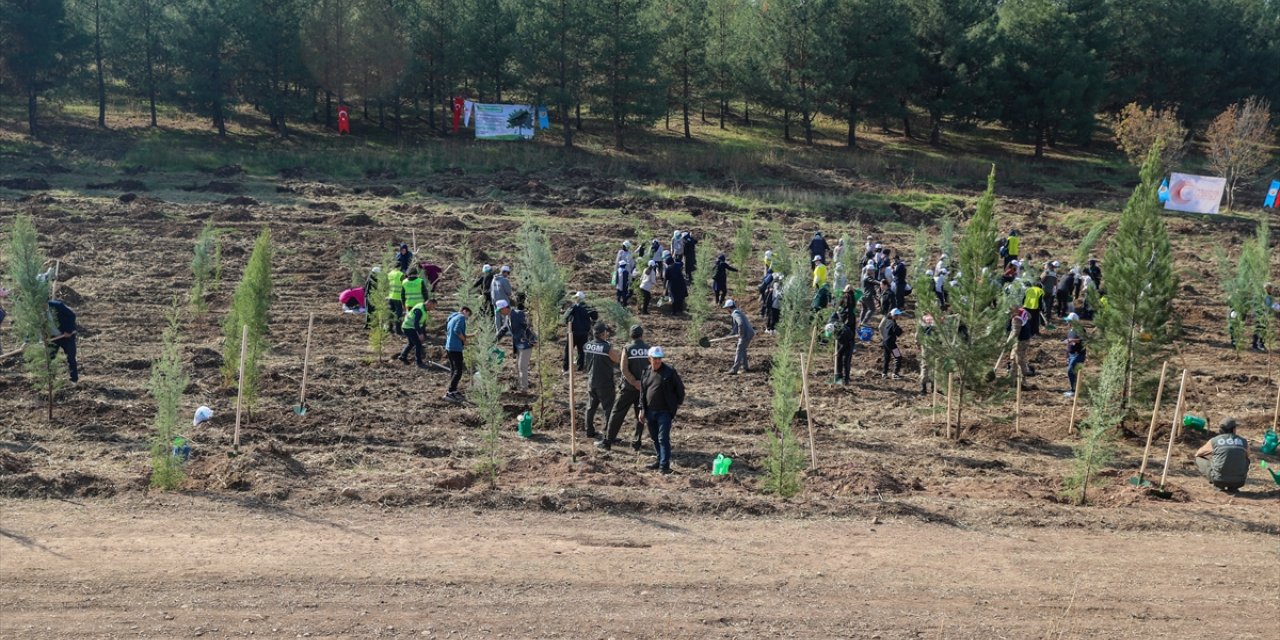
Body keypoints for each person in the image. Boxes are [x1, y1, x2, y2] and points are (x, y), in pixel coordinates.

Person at [603, 325, 650, 452]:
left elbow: (623, 368)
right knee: (640, 415)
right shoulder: (649, 349)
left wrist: (634, 382)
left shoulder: (628, 348)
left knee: (617, 413)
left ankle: (608, 441)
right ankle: (636, 443)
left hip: (628, 388)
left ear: (631, 335)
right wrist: (643, 383)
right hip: (643, 389)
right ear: (642, 335)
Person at [640, 346, 685, 474]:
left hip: (664, 412)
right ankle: (659, 460)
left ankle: (664, 466)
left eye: (659, 358)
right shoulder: (646, 371)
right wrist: (642, 409)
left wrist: (675, 405)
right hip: (650, 412)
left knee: (663, 438)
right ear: (649, 359)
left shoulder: (669, 372)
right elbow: (643, 392)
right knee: (655, 438)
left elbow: (680, 390)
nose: (658, 361)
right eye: (655, 358)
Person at [584, 322, 620, 442]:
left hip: (591, 381)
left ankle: (589, 430)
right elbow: (616, 359)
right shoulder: (606, 347)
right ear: (602, 333)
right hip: (605, 383)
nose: (607, 333)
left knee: (590, 407)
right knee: (608, 409)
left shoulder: (587, 345)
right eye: (606, 331)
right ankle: (608, 434)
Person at [1194, 419, 1250, 493]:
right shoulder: (1243, 441)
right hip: (1239, 481)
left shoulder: (1214, 440)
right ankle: (1233, 487)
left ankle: (1219, 486)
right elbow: (1248, 456)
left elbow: (1198, 454)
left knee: (1198, 458)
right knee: (1246, 459)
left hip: (1218, 480)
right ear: (1233, 429)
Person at [496, 299, 536, 393]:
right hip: (518, 345)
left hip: (525, 344)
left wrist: (533, 339)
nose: (500, 313)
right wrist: (493, 341)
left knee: (522, 366)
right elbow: (503, 330)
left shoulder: (518, 314)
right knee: (518, 367)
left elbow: (527, 326)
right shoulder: (507, 317)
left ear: (505, 308)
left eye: (500, 310)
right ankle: (521, 386)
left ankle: (524, 389)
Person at [398, 298, 437, 369]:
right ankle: (419, 362)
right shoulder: (420, 310)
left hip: (409, 327)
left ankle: (402, 356)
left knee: (411, 343)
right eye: (433, 307)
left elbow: (421, 324)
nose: (433, 309)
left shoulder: (423, 308)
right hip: (408, 327)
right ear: (429, 304)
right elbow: (416, 323)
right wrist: (420, 334)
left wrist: (422, 333)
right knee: (418, 344)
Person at [443, 306, 471, 402]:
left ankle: (453, 390)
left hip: (449, 346)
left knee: (453, 369)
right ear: (464, 311)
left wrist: (472, 335)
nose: (467, 318)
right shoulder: (461, 317)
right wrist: (464, 341)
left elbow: (452, 331)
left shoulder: (452, 317)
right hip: (455, 348)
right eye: (468, 315)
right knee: (458, 371)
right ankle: (450, 392)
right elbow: (457, 330)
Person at [562, 292, 592, 372]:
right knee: (581, 351)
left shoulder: (573, 307)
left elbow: (565, 317)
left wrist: (568, 323)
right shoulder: (587, 308)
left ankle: (566, 368)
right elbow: (595, 316)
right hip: (584, 332)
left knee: (568, 350)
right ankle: (580, 368)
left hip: (573, 332)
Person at [724, 300, 754, 374]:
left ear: (729, 307)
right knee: (742, 349)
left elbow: (740, 323)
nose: (726, 310)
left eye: (726, 308)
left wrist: (740, 334)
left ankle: (734, 370)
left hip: (746, 334)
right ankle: (745, 367)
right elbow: (735, 327)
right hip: (749, 333)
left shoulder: (735, 313)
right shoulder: (738, 311)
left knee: (739, 350)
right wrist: (729, 336)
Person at [1062, 312, 1085, 397]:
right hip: (1071, 355)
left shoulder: (1080, 329)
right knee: (1072, 372)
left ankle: (1074, 390)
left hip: (1078, 354)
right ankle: (1074, 389)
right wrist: (1067, 354)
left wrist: (1071, 340)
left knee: (1071, 371)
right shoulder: (1071, 330)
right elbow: (1070, 342)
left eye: (1069, 321)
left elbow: (1081, 339)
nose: (1068, 322)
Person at [1007, 305, 1033, 377]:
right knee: (1018, 357)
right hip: (1026, 338)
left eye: (1010, 313)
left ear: (1015, 311)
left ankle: (1015, 375)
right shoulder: (1023, 311)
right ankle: (1019, 373)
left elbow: (1015, 333)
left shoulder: (1016, 319)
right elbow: (1029, 316)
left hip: (1020, 340)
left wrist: (1008, 342)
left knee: (1015, 357)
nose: (1009, 315)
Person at [879, 308, 904, 379]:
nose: (899, 316)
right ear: (894, 315)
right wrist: (900, 329)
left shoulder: (888, 321)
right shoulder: (893, 323)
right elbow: (898, 333)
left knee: (887, 358)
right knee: (898, 357)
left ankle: (884, 373)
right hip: (891, 343)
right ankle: (895, 374)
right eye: (898, 315)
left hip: (885, 342)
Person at [834, 315, 855, 384]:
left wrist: (838, 352)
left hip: (849, 343)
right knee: (838, 359)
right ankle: (839, 376)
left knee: (846, 361)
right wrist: (837, 351)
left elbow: (844, 344)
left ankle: (846, 379)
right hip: (842, 342)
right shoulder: (833, 326)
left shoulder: (843, 332)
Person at [385, 265, 405, 335]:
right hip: (398, 297)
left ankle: (389, 328)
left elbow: (386, 284)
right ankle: (398, 330)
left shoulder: (390, 274)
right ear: (399, 267)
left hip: (391, 296)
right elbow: (404, 284)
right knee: (398, 314)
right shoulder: (401, 274)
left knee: (391, 313)